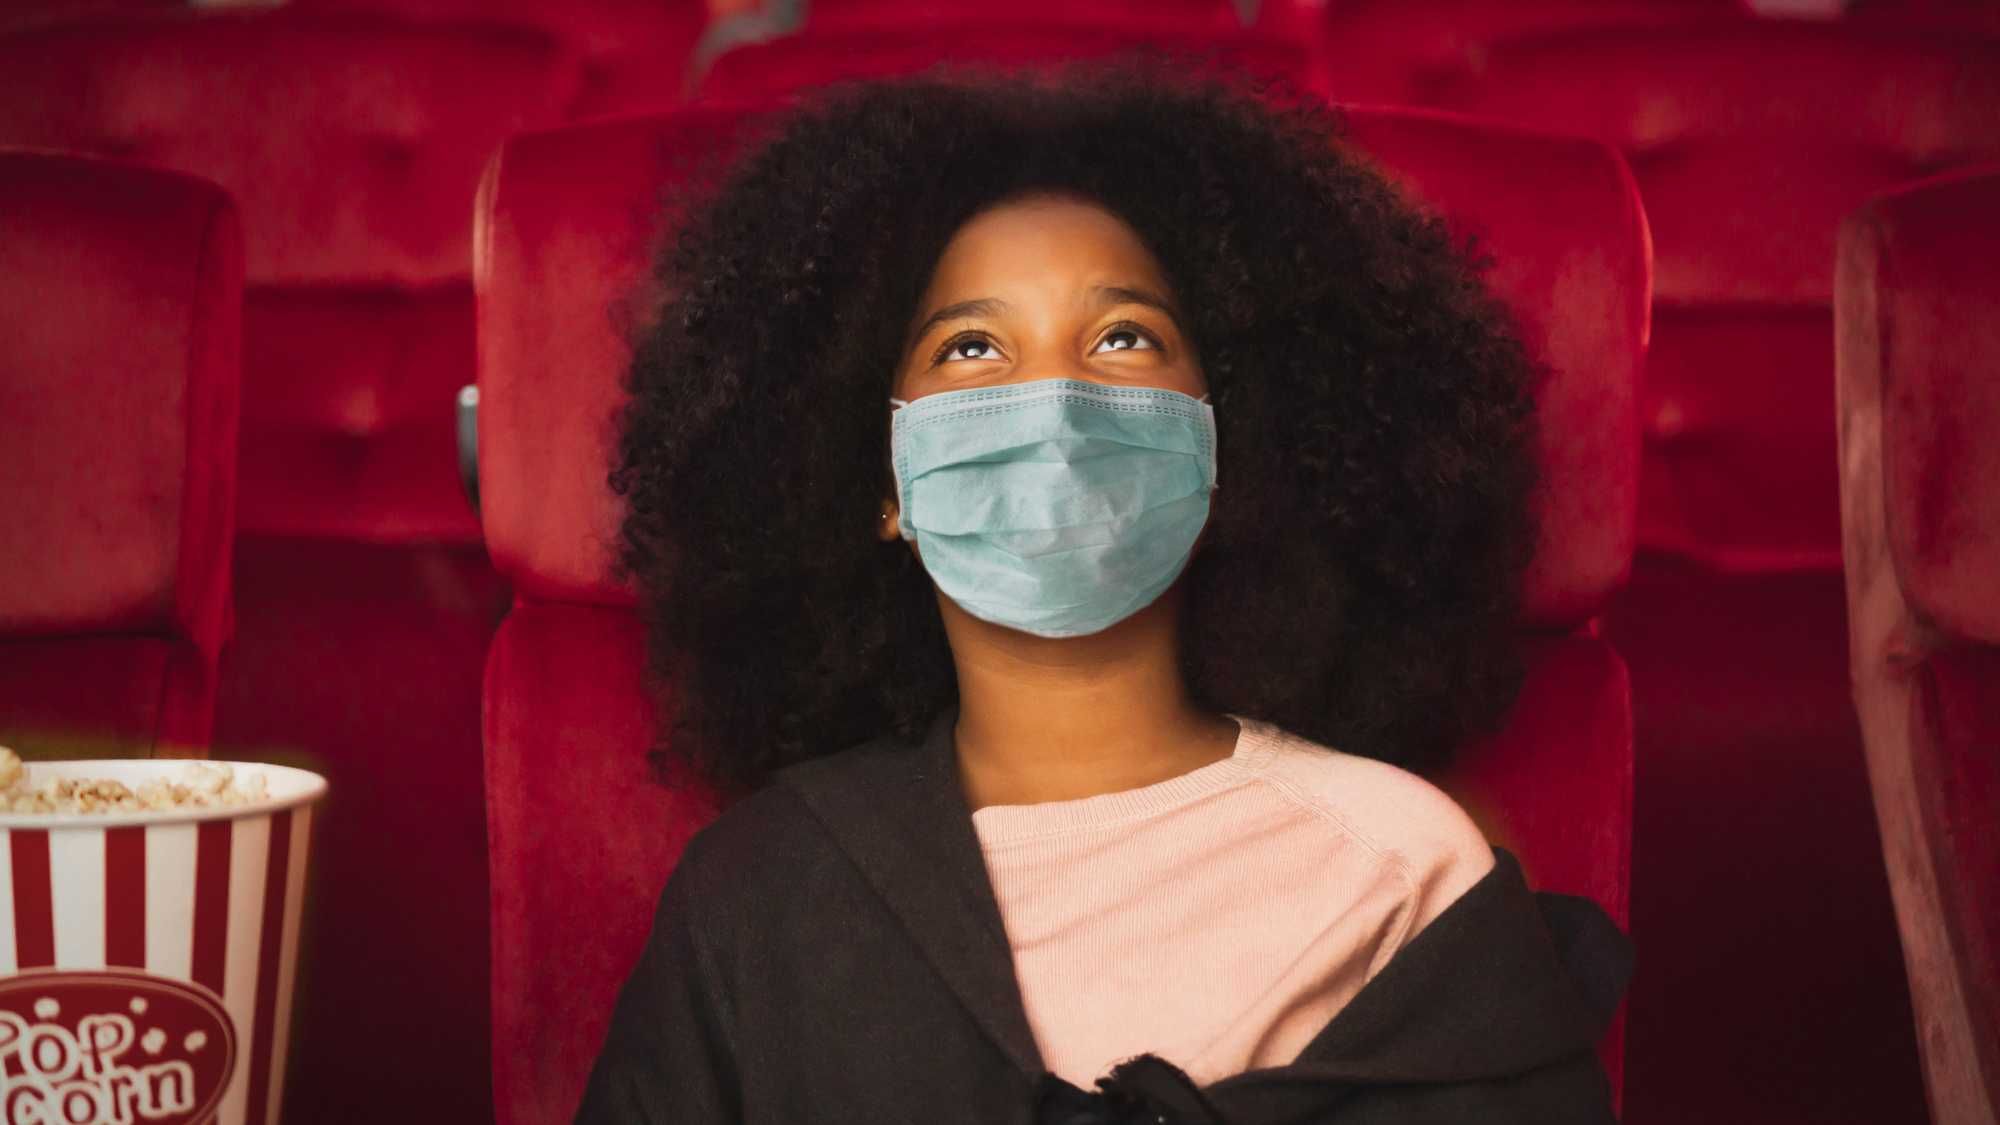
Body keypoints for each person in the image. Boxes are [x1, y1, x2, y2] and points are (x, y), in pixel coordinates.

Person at [578, 58, 1632, 1124]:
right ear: (880, 484)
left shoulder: (1400, 871)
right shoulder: (758, 892)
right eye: (971, 348)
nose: (1055, 405)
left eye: (1124, 338)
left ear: (1226, 446)